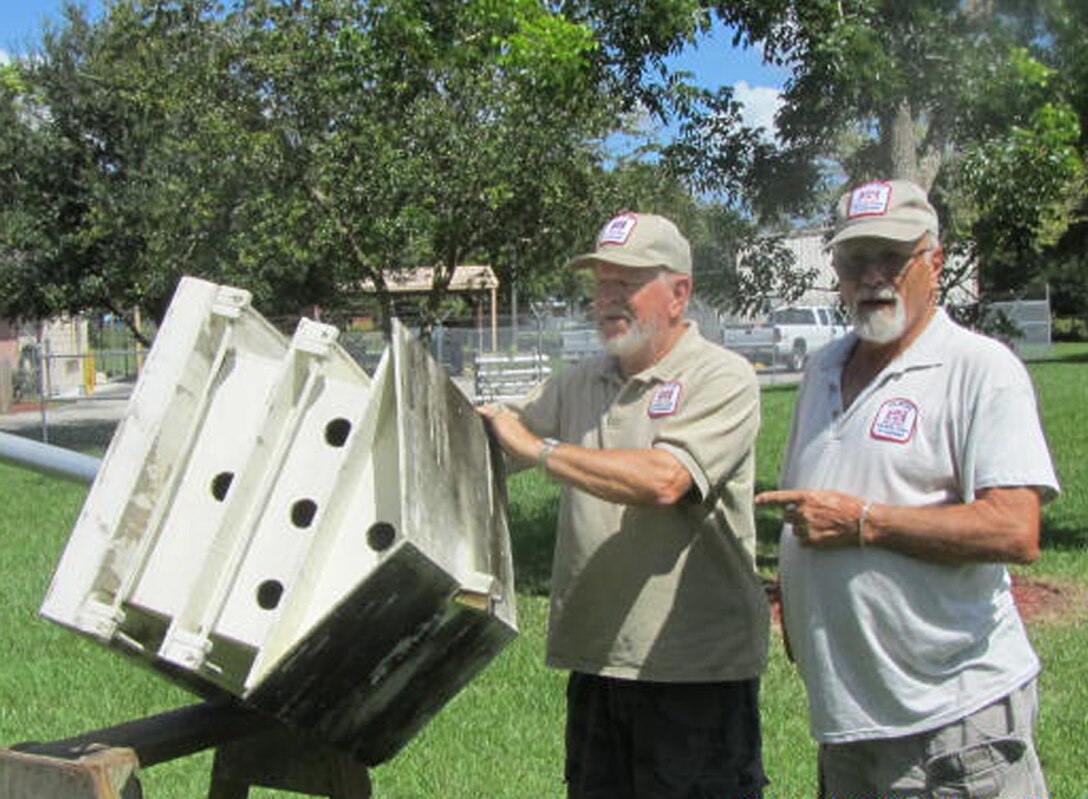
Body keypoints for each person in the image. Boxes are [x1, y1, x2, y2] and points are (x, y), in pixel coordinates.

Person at [757, 179, 1060, 798]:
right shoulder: (822, 369)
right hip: (851, 722)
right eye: (853, 260)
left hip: (953, 728)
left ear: (935, 263)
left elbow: (1014, 527)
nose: (872, 276)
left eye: (892, 257)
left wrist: (866, 522)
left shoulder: (979, 369)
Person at [480, 212, 770, 799]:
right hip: (599, 660)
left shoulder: (723, 377)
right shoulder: (581, 381)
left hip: (691, 670)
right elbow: (494, 436)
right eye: (601, 284)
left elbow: (664, 479)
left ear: (679, 293)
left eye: (627, 284)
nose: (607, 300)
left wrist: (542, 450)